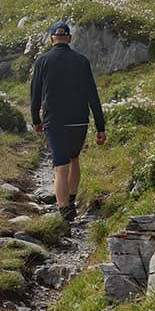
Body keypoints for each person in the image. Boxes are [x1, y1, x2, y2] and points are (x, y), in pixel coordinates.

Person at [30, 20, 107, 221]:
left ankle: (64, 210)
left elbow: (35, 95)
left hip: (55, 121)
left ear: (51, 39)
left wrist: (35, 119)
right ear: (69, 39)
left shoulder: (42, 61)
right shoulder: (81, 61)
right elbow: (93, 95)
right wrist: (101, 127)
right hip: (79, 121)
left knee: (60, 165)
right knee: (74, 159)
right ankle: (71, 200)